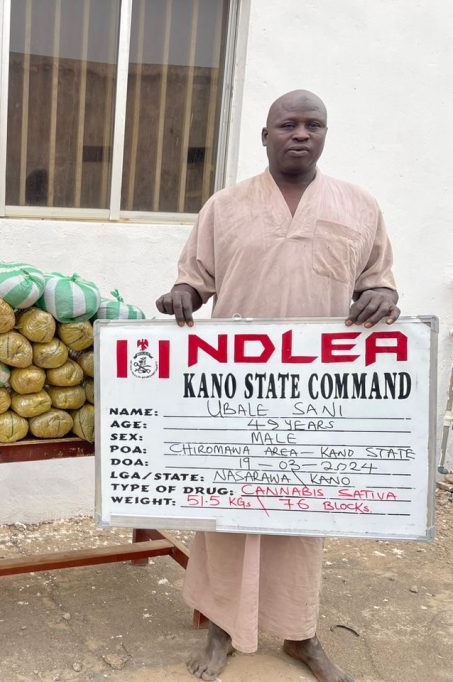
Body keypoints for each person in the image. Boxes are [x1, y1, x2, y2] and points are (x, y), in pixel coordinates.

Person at [155, 90, 399, 682]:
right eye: (288, 124)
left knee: (302, 515)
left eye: (314, 124)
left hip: (317, 394)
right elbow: (195, 277)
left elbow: (379, 280)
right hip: (236, 391)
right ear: (265, 135)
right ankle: (220, 629)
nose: (301, 133)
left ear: (325, 134)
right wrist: (183, 294)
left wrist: (381, 296)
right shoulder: (225, 206)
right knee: (229, 509)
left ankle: (300, 635)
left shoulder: (359, 205)